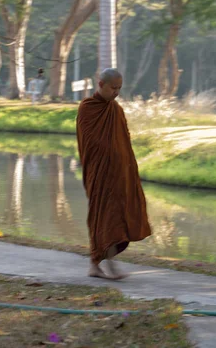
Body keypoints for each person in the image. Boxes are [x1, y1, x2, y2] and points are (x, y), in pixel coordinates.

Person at [76, 68, 152, 280]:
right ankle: (104, 264)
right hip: (100, 173)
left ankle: (98, 265)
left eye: (119, 88)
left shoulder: (116, 110)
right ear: (101, 85)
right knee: (103, 215)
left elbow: (124, 140)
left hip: (119, 174)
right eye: (113, 88)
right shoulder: (87, 108)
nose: (116, 92)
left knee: (116, 217)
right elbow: (90, 142)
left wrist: (127, 165)